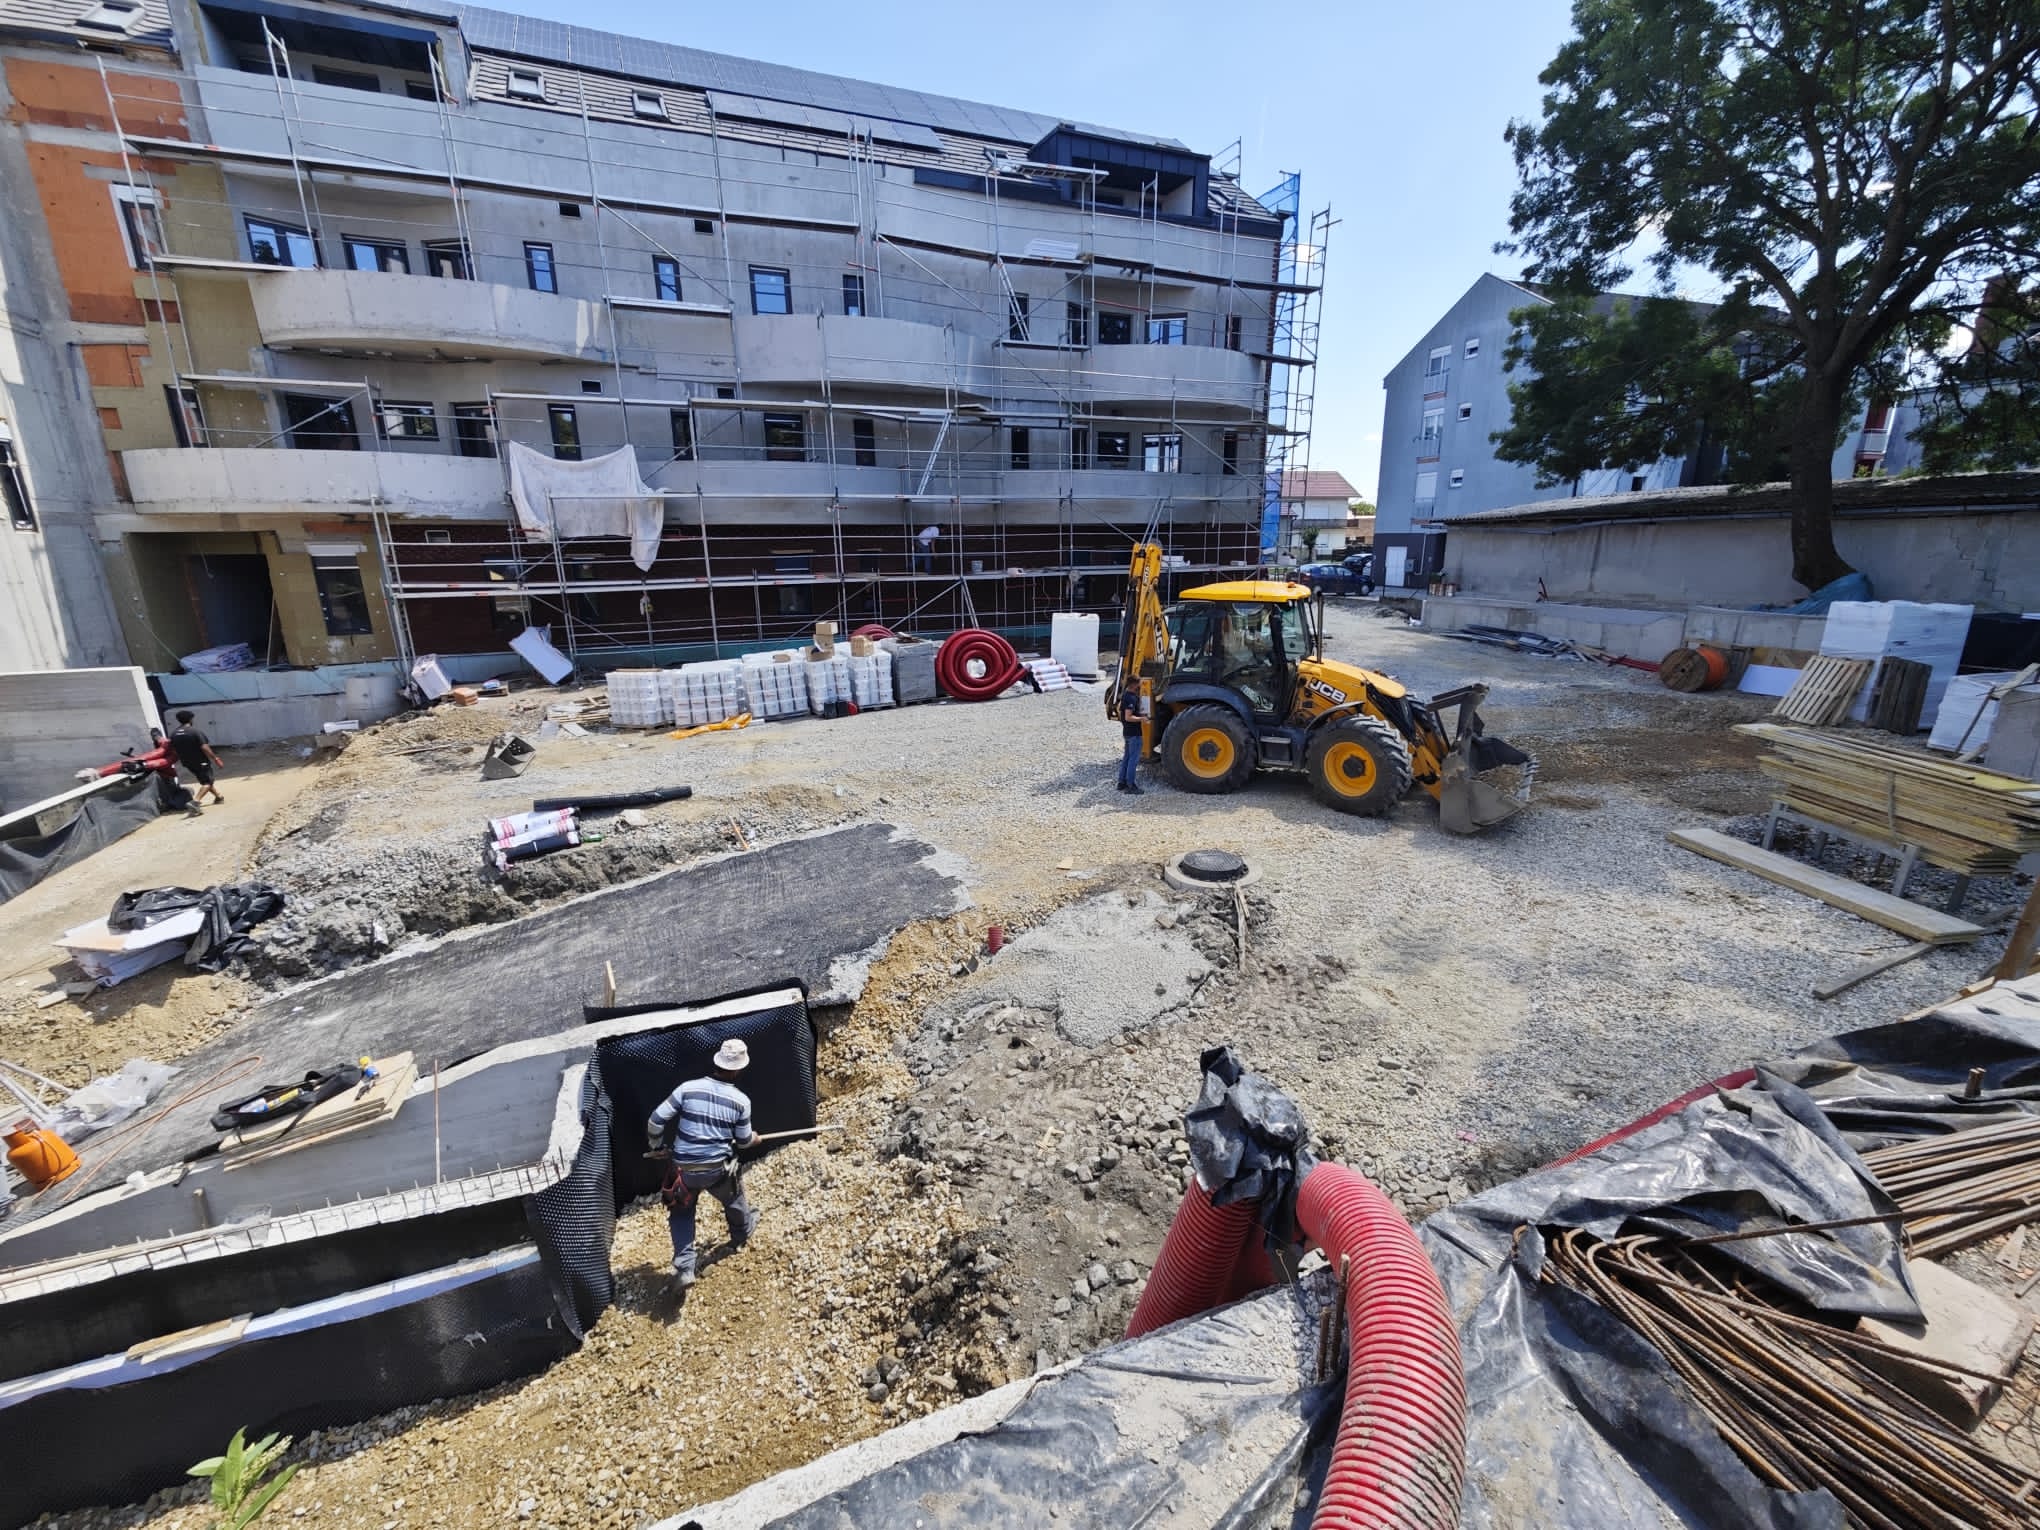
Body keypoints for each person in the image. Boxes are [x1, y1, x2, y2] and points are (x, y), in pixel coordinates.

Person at [646, 1038, 760, 1289]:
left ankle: (685, 1268)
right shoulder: (741, 1101)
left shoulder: (687, 1088)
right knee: (734, 1199)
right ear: (740, 1069)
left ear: (717, 1062)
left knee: (682, 1212)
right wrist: (755, 1139)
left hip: (683, 1171)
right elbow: (742, 1142)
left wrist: (657, 1147)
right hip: (715, 1171)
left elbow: (655, 1121)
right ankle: (742, 1233)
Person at [166, 710, 225, 806]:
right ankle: (195, 802)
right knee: (208, 782)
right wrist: (215, 758)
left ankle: (218, 797)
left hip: (187, 763)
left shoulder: (174, 734)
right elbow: (204, 747)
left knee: (204, 780)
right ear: (190, 719)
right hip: (201, 761)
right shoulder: (194, 732)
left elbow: (173, 749)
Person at [1116, 688, 1145, 794]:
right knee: (1133, 759)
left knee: (1127, 758)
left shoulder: (1124, 696)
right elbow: (1128, 717)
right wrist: (1142, 719)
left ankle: (1121, 782)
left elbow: (1122, 714)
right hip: (1134, 734)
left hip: (1127, 733)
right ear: (1135, 685)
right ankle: (1131, 785)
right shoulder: (1131, 698)